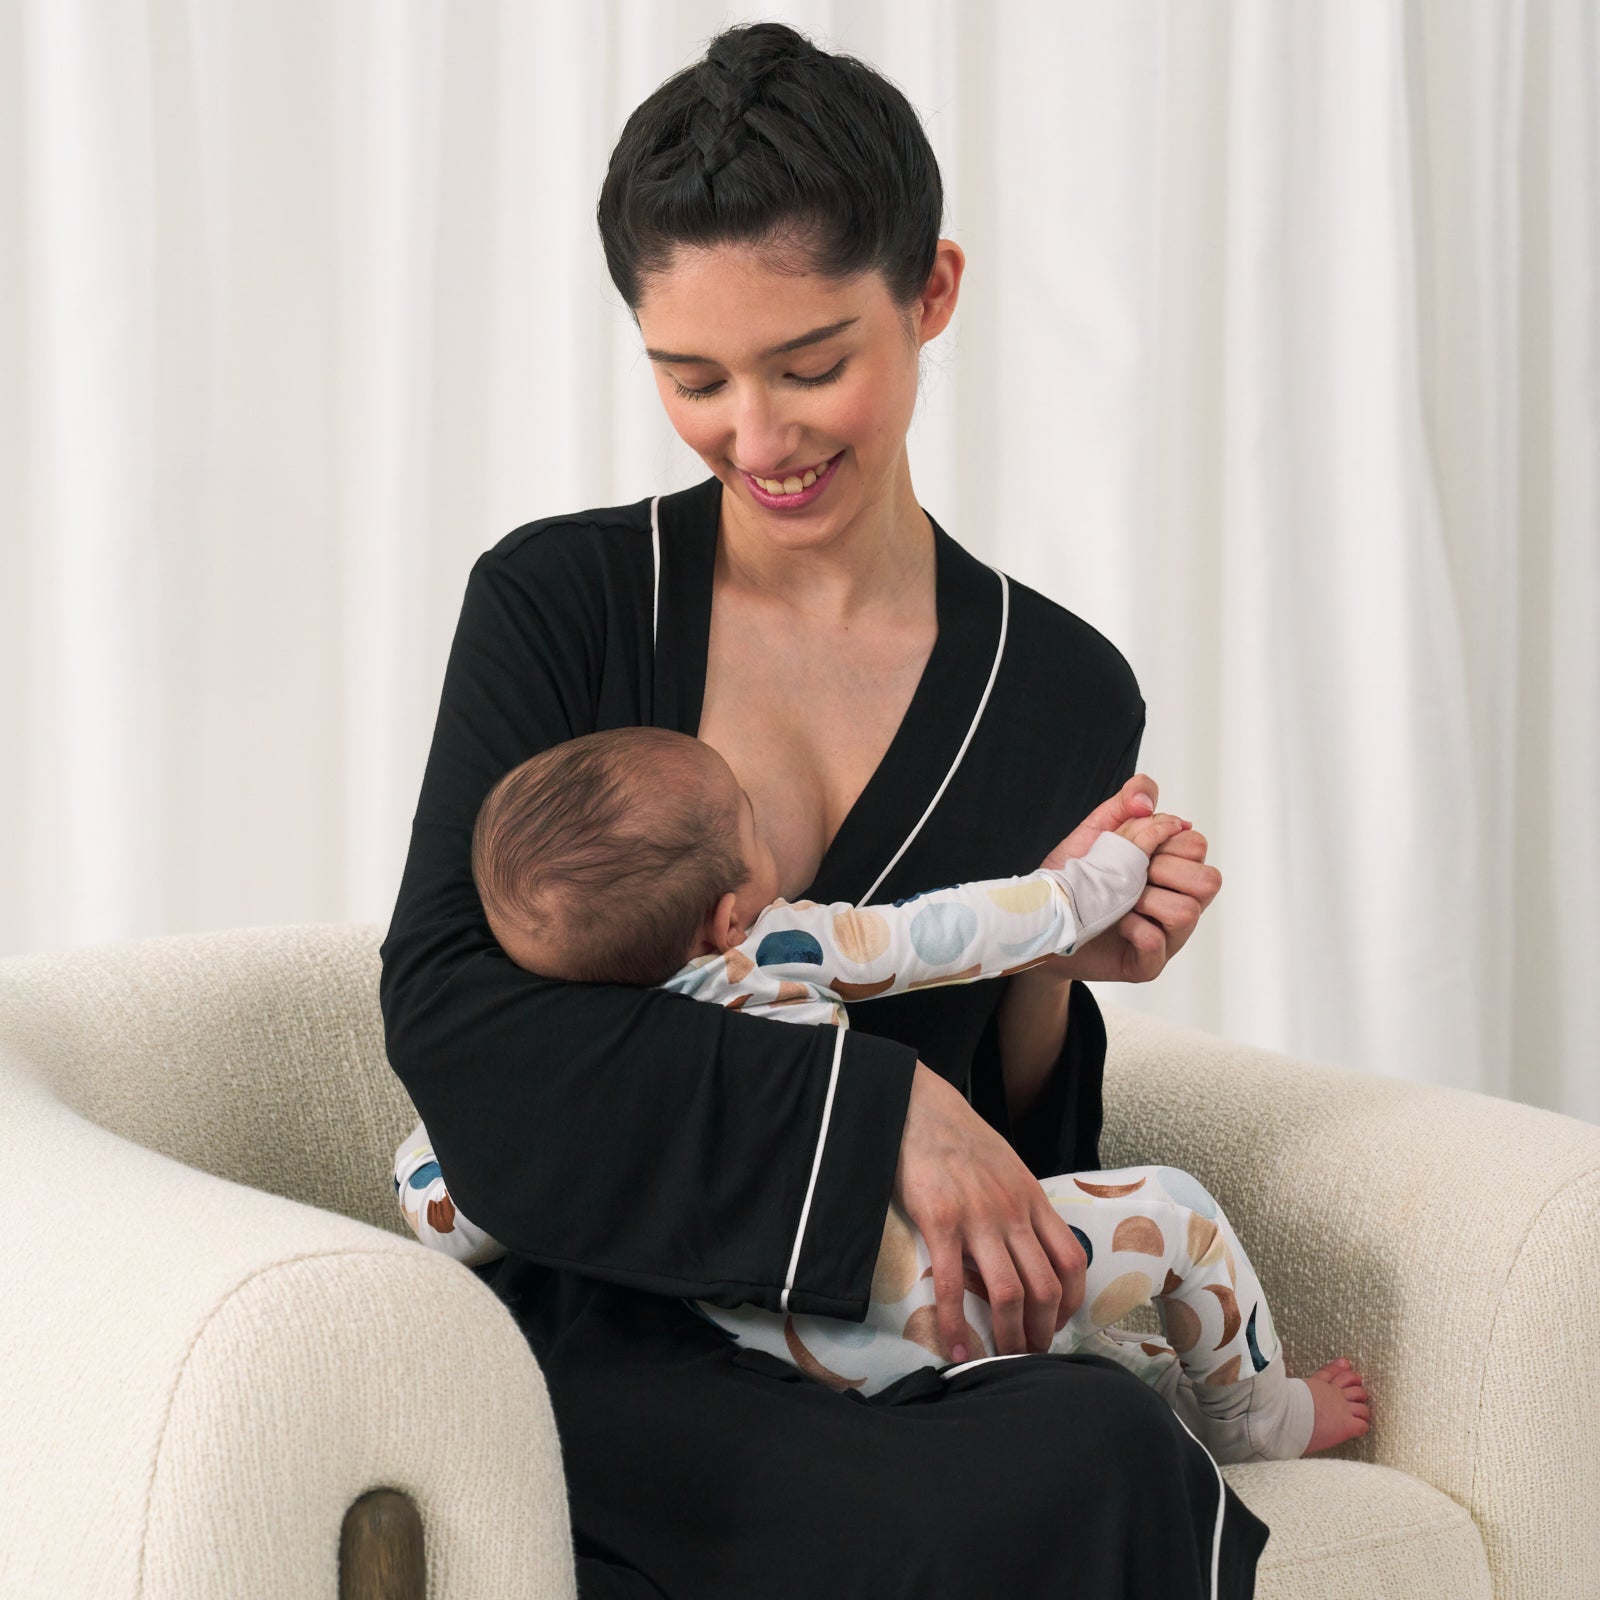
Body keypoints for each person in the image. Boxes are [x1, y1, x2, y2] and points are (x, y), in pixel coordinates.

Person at [380, 19, 1283, 1597]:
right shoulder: (560, 602)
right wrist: (876, 1118)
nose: (759, 435)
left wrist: (1061, 959)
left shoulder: (1059, 685)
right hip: (608, 1318)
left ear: (930, 293)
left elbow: (1014, 1157)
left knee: (1102, 1449)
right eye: (693, 378)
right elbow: (457, 1016)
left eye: (812, 366)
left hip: (884, 1331)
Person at [393, 727, 1370, 1462]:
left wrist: (417, 1155)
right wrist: (1099, 878)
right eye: (744, 812)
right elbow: (955, 931)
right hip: (918, 1282)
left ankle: (1156, 1392)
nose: (760, 811)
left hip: (790, 1366)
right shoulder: (769, 945)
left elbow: (454, 1217)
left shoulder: (562, 1081)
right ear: (724, 915)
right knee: (1176, 1216)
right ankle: (1260, 1420)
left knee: (1084, 1338)